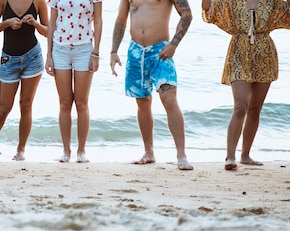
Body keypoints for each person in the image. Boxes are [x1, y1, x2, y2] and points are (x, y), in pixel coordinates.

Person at [202, 0, 290, 170]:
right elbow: (208, 9)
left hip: (264, 53)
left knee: (255, 109)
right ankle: (230, 156)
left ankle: (245, 155)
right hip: (239, 52)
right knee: (240, 106)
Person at [110, 0, 194, 170]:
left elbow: (187, 14)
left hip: (161, 50)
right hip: (135, 51)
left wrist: (173, 45)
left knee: (169, 99)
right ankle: (149, 152)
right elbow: (121, 19)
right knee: (142, 101)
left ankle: (181, 154)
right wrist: (113, 51)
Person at [0, 0, 48, 161]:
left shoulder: (38, 2)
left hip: (33, 57)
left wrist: (35, 23)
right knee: (4, 107)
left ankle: (21, 150)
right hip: (9, 59)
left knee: (26, 105)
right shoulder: (2, 1)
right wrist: (7, 23)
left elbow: (48, 31)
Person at [45, 0, 102, 163]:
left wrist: (96, 53)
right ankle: (66, 151)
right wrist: (48, 55)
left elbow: (98, 21)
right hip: (59, 49)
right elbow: (52, 24)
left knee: (81, 103)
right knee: (64, 103)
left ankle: (81, 151)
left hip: (84, 49)